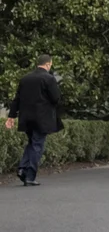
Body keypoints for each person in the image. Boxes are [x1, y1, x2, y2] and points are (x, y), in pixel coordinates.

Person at [4, 54, 64, 186]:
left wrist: (11, 116)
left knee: (32, 142)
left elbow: (17, 99)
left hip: (26, 118)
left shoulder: (25, 79)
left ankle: (22, 168)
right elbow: (55, 98)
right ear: (48, 64)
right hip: (42, 118)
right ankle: (30, 176)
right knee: (37, 145)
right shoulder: (49, 79)